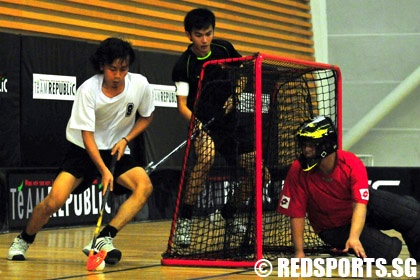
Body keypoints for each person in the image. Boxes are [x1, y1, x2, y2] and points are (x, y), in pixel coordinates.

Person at [7, 37, 154, 265]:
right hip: (83, 150)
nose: (118, 75)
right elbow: (87, 136)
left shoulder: (140, 85)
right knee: (53, 201)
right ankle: (23, 240)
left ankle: (104, 238)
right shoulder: (88, 90)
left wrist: (126, 139)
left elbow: (147, 116)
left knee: (144, 186)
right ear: (102, 66)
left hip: (116, 148)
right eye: (112, 69)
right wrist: (104, 170)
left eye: (123, 69)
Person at [172, 7, 270, 247]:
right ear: (188, 35)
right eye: (198, 35)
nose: (204, 40)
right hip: (203, 124)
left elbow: (245, 70)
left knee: (262, 174)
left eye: (208, 33)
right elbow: (182, 106)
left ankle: (227, 212)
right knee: (205, 159)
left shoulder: (223, 48)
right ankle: (184, 222)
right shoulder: (184, 65)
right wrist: (199, 127)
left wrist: (236, 93)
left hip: (231, 125)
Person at [277, 115, 420, 263]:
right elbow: (296, 213)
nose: (306, 150)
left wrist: (354, 237)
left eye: (311, 145)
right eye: (304, 145)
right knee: (388, 253)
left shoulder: (351, 163)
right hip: (333, 228)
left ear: (326, 145)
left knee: (413, 212)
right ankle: (361, 240)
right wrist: (299, 253)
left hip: (361, 209)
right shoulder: (298, 170)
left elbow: (360, 204)